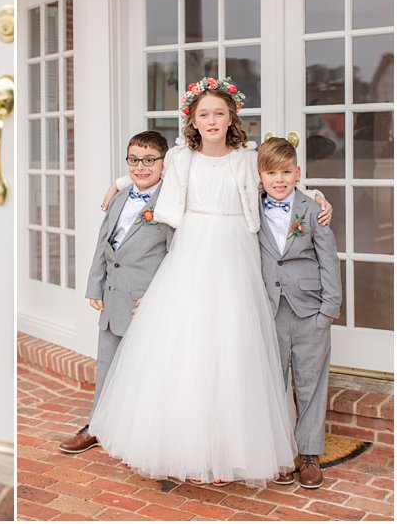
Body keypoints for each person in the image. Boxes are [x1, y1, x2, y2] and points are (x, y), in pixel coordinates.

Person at [88, 78, 296, 486]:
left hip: (235, 252)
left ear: (232, 116)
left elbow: (279, 181)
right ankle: (183, 444)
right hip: (191, 251)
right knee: (187, 344)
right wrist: (119, 181)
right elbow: (150, 176)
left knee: (232, 346)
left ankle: (229, 449)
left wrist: (318, 195)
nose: (213, 120)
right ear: (193, 120)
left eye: (220, 112)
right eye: (204, 114)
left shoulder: (245, 158)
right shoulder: (182, 158)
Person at [60, 131, 174, 455]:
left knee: (145, 372)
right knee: (106, 367)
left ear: (163, 164)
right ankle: (95, 426)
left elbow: (174, 255)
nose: (141, 167)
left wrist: (156, 297)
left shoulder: (169, 203)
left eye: (149, 160)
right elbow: (102, 244)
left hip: (144, 300)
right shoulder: (121, 197)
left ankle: (140, 435)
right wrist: (95, 285)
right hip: (112, 296)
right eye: (134, 160)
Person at [256, 137, 342, 489]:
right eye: (272, 173)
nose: (279, 180)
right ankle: (276, 452)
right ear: (259, 176)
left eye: (286, 172)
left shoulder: (312, 208)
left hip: (309, 311)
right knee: (269, 383)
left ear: (298, 173)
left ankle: (308, 455)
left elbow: (328, 259)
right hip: (267, 310)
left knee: (310, 383)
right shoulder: (249, 208)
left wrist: (328, 311)